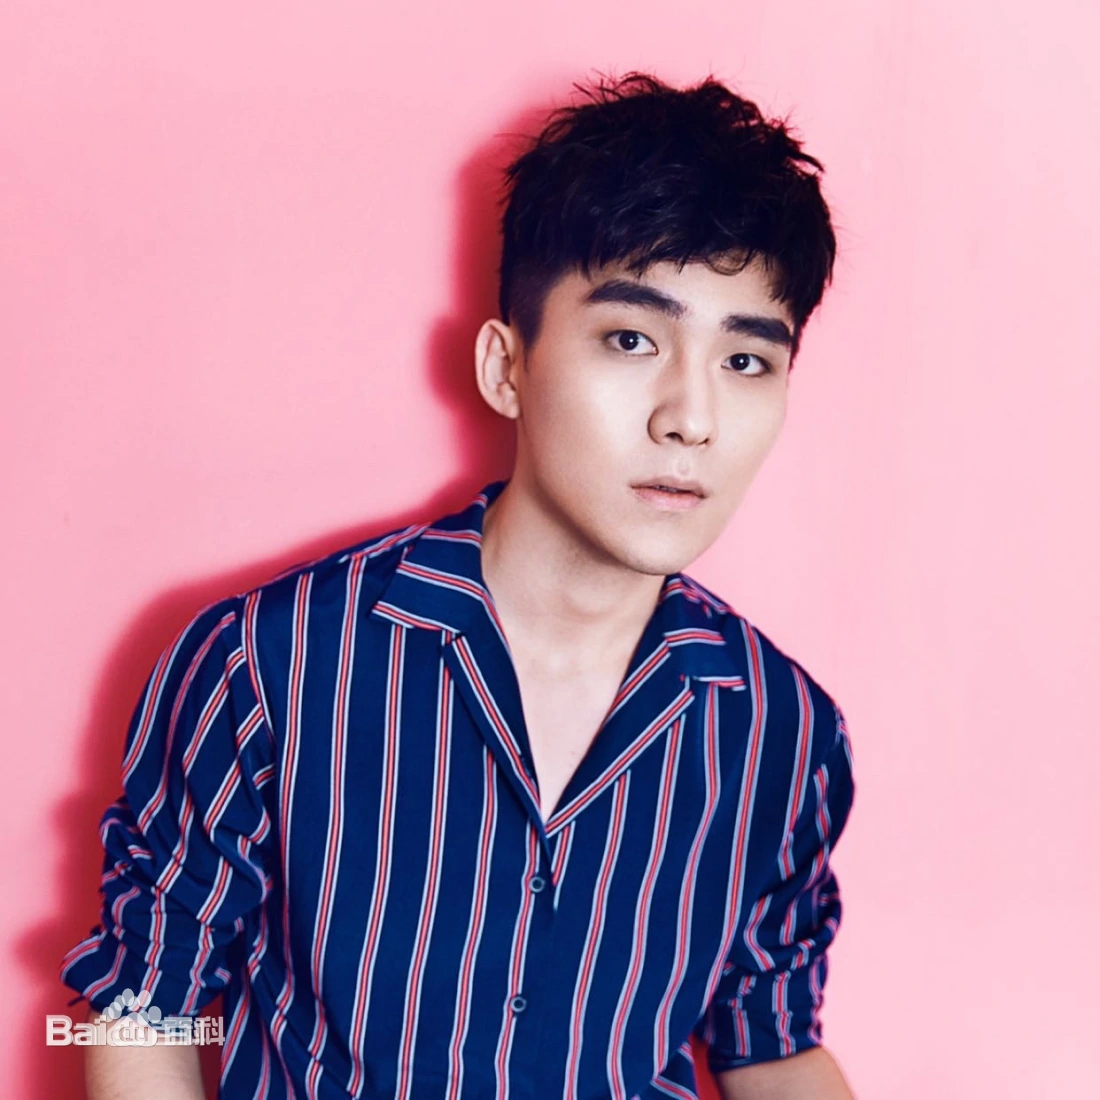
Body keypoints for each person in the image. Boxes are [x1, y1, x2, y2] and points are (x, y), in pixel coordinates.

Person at [60, 71, 857, 1100]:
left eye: (746, 361)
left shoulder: (784, 731)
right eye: (630, 339)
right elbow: (140, 1003)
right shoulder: (269, 665)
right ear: (505, 366)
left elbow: (773, 1045)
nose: (690, 418)